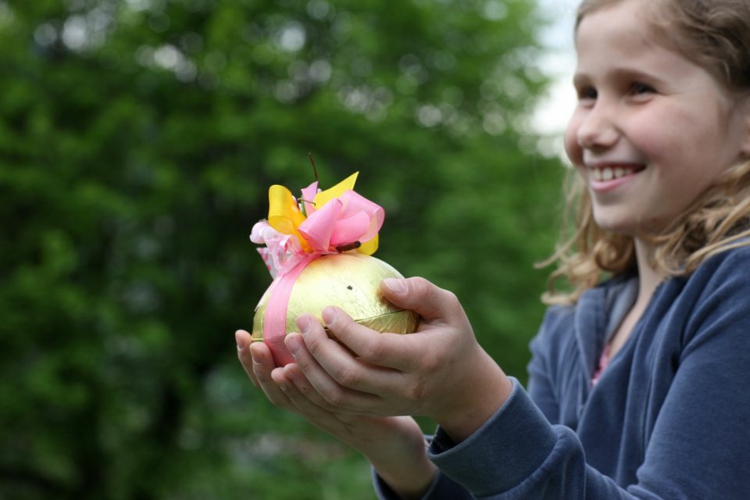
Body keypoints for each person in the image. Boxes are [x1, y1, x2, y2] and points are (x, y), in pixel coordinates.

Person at [235, 0, 750, 497]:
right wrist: (400, 456)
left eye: (639, 89)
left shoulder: (738, 291)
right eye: (586, 93)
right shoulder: (572, 322)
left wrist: (470, 399)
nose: (590, 129)